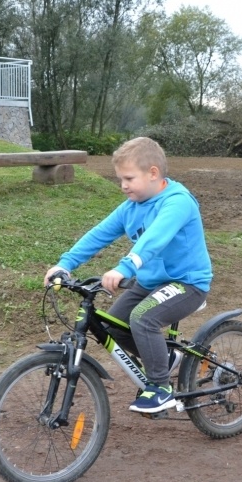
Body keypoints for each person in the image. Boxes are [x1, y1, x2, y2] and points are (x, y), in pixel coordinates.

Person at [43, 137, 212, 414]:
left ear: (153, 173)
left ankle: (161, 387)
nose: (123, 185)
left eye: (129, 178)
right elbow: (99, 234)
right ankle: (164, 356)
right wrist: (65, 264)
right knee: (113, 326)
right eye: (120, 178)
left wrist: (125, 267)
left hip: (187, 283)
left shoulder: (178, 202)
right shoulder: (131, 207)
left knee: (143, 319)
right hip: (149, 283)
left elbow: (154, 240)